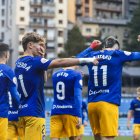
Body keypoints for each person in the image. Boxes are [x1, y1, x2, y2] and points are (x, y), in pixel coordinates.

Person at [14, 32, 99, 140]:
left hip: (22, 112)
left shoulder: (18, 62)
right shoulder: (35, 61)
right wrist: (89, 59)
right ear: (30, 45)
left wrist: (41, 60)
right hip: (35, 113)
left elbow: (43, 80)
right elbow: (60, 61)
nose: (42, 48)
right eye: (40, 45)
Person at [77, 35, 140, 140]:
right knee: (109, 137)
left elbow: (76, 59)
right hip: (108, 102)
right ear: (116, 47)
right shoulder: (117, 54)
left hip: (92, 103)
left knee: (97, 137)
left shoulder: (92, 54)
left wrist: (91, 47)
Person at [50, 66, 83, 140]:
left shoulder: (55, 74)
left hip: (56, 110)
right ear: (75, 65)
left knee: (54, 138)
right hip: (70, 111)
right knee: (74, 138)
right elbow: (77, 96)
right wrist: (79, 115)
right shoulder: (76, 75)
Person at [0, 43, 19, 140]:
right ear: (7, 55)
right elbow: (14, 94)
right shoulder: (8, 71)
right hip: (1, 112)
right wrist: (22, 106)